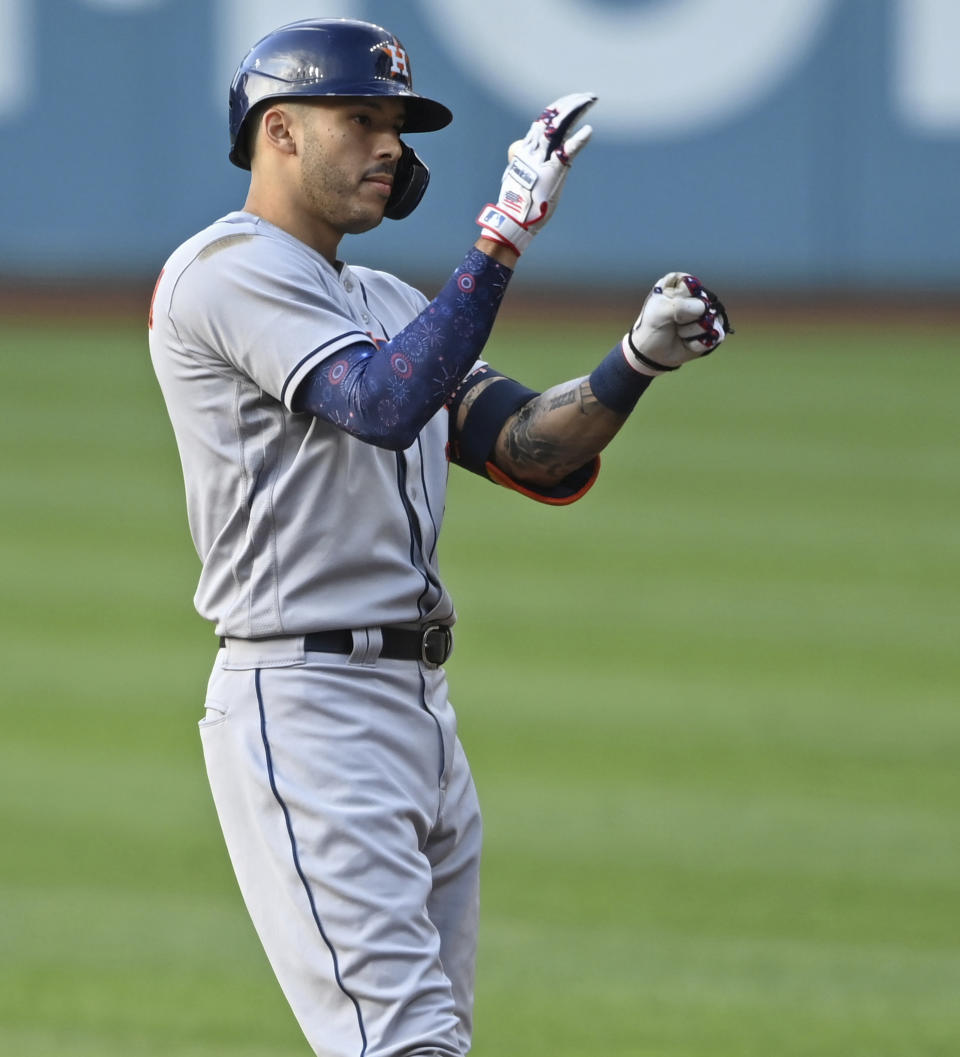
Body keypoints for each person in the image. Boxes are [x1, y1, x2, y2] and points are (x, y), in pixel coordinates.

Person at [148, 17, 731, 1057]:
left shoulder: (376, 296)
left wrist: (635, 362)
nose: (390, 145)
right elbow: (377, 401)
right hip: (308, 703)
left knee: (428, 1041)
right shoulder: (224, 271)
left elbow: (528, 450)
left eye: (397, 125)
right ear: (279, 131)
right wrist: (501, 237)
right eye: (361, 119)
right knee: (405, 1042)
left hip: (418, 712)